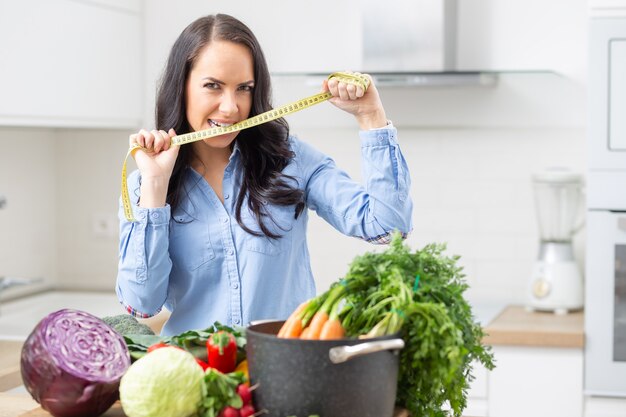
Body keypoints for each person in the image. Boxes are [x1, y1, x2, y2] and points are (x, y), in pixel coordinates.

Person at [116, 13, 413, 336]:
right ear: (182, 86)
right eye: (213, 86)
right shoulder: (144, 186)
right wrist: (156, 187)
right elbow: (142, 305)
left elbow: (388, 227)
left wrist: (371, 116)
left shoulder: (290, 160)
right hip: (195, 376)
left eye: (244, 88)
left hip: (286, 372)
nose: (230, 107)